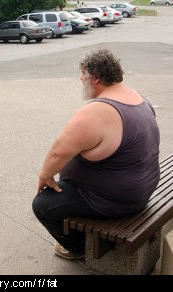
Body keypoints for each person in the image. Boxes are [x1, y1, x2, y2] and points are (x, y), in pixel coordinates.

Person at [32, 48, 160, 260]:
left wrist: (45, 177)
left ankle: (78, 248)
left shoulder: (97, 112)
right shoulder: (138, 98)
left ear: (96, 77)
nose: (81, 79)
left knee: (42, 205)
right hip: (141, 188)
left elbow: (58, 153)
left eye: (83, 74)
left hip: (115, 200)